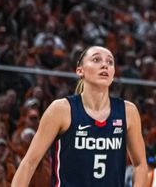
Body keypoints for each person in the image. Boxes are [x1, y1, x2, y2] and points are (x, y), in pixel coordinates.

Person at [11, 46, 148, 187]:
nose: (104, 65)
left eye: (110, 62)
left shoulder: (128, 111)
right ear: (80, 70)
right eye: (96, 59)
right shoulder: (60, 110)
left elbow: (140, 164)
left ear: (113, 74)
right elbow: (29, 163)